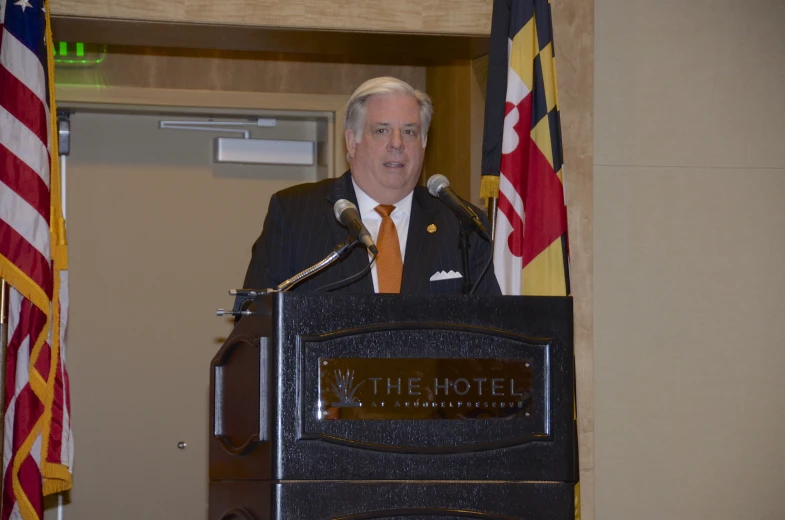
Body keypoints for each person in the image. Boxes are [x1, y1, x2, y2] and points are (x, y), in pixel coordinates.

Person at [240, 76, 500, 296]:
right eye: (382, 131)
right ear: (352, 142)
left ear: (423, 143)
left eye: (409, 132)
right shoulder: (295, 214)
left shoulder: (462, 223)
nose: (397, 144)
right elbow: (257, 326)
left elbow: (496, 337)